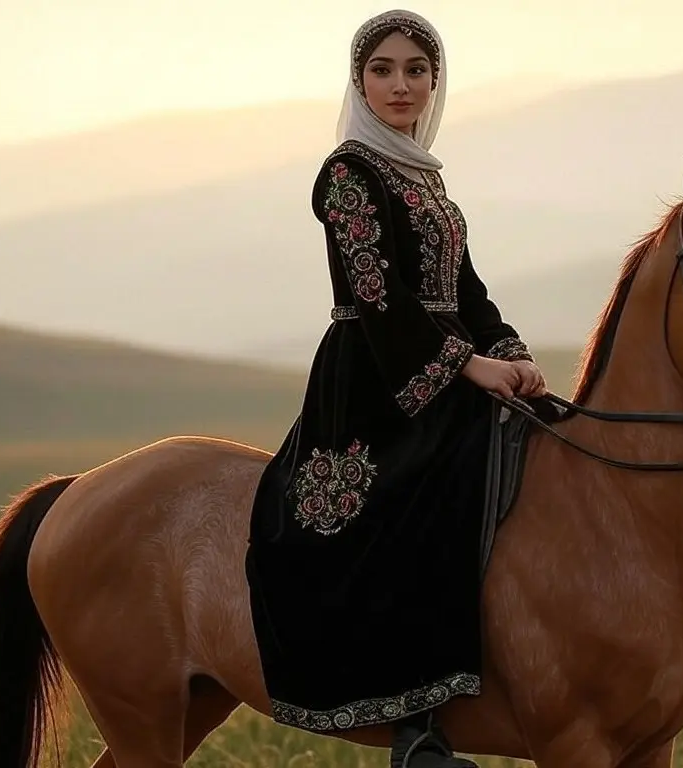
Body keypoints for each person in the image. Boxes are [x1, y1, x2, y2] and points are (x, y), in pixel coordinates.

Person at [244, 9, 547, 768]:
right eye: (382, 69)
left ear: (435, 81)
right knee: (424, 488)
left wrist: (511, 352)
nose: (401, 84)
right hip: (375, 379)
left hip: (434, 360)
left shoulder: (425, 176)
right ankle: (417, 727)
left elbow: (463, 290)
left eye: (417, 69)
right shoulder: (348, 173)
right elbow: (379, 297)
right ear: (360, 81)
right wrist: (465, 367)